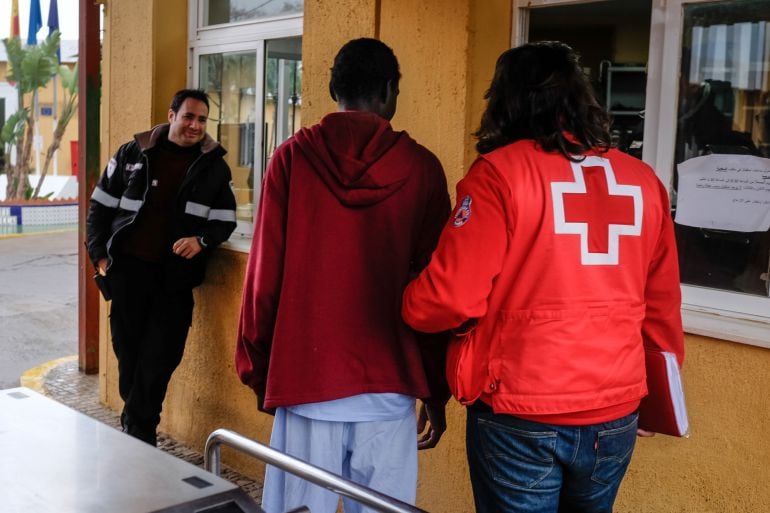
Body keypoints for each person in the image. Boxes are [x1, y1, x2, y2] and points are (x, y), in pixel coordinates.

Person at [402, 42, 684, 513]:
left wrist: (407, 297)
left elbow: (448, 300)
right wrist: (654, 396)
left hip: (521, 408)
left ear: (505, 102)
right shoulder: (643, 180)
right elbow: (661, 305)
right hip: (615, 408)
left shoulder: (498, 176)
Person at [235, 38, 451, 513]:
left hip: (307, 380)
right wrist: (436, 389)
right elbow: (440, 291)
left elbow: (263, 277)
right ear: (390, 90)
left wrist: (259, 369)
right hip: (390, 383)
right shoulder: (423, 170)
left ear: (335, 89)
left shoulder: (291, 159)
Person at [86, 89, 237, 446]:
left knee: (160, 359)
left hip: (174, 282)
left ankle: (140, 432)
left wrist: (201, 241)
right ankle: (138, 427)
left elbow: (225, 220)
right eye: (189, 116)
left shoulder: (215, 167)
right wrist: (100, 257)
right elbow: (100, 208)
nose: (195, 125)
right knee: (129, 354)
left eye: (202, 119)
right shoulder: (132, 153)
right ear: (171, 116)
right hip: (128, 275)